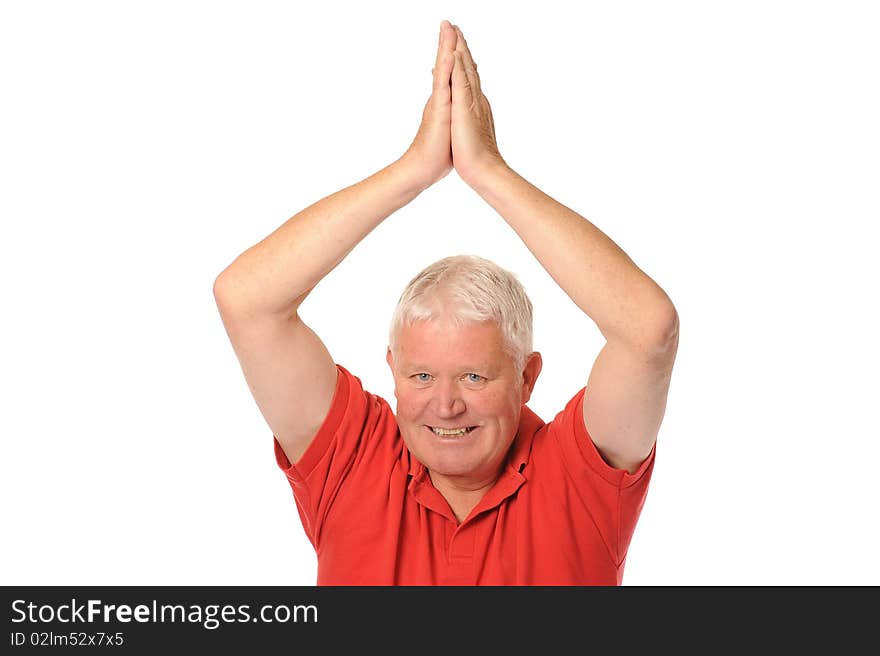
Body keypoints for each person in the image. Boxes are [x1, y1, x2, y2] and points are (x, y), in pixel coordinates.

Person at [213, 20, 679, 585]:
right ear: (392, 370)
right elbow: (246, 299)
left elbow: (648, 329)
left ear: (527, 376)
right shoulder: (354, 459)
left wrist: (487, 172)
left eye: (476, 377)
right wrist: (414, 171)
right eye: (422, 375)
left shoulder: (578, 477)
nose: (445, 405)